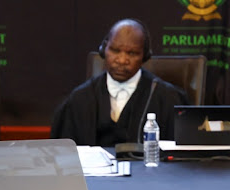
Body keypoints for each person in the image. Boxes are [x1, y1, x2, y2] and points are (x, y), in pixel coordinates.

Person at [51, 18, 188, 146]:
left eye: (132, 53)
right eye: (115, 50)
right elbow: (62, 157)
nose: (122, 60)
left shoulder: (167, 99)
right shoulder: (79, 99)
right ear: (103, 50)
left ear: (145, 56)